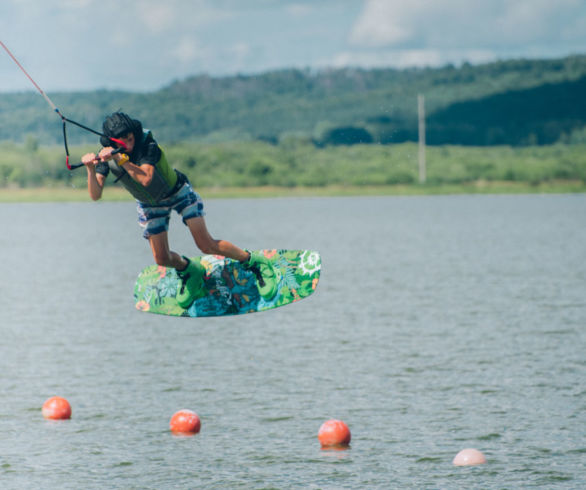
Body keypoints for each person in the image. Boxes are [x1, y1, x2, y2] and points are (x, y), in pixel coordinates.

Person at [81, 112, 278, 308]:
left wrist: (122, 159)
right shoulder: (106, 157)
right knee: (162, 258)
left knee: (205, 244)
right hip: (149, 204)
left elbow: (146, 179)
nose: (129, 144)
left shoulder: (147, 145)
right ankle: (190, 271)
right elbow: (95, 195)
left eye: (130, 139)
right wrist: (91, 168)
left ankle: (253, 262)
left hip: (178, 192)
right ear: (113, 141)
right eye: (123, 141)